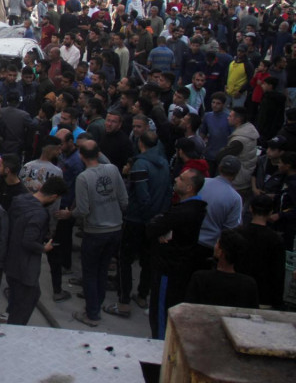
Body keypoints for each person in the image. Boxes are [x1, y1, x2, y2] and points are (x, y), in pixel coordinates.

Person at [58, 138, 128, 327]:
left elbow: (82, 210)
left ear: (81, 156)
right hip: (115, 229)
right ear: (98, 154)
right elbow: (124, 201)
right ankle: (96, 307)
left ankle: (92, 314)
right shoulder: (113, 169)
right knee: (103, 270)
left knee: (90, 273)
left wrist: (68, 214)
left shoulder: (84, 178)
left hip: (95, 231)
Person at [108, 132, 170, 318]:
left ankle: (124, 301)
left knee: (125, 260)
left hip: (137, 220)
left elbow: (142, 196)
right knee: (148, 260)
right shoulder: (164, 163)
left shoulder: (140, 164)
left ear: (140, 143)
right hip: (156, 220)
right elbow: (167, 192)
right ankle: (142, 295)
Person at [147, 169, 208, 339]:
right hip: (176, 267)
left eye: (181, 178)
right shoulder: (191, 208)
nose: (176, 179)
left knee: (161, 314)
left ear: (189, 187)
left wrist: (160, 228)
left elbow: (152, 227)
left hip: (169, 269)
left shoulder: (185, 212)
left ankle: (159, 352)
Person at [5, 177, 69, 324]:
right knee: (27, 299)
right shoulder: (39, 214)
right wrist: (44, 248)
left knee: (19, 297)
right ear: (54, 197)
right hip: (25, 265)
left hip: (11, 259)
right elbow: (28, 240)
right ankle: (14, 330)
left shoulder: (20, 200)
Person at [185, 229, 259, 309]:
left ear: (221, 252)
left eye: (217, 243)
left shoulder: (200, 278)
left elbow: (189, 308)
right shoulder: (249, 284)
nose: (215, 245)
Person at [236, 196, 285, 309]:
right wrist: (277, 302)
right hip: (263, 296)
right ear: (270, 212)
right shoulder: (276, 240)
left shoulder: (237, 233)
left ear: (251, 209)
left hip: (238, 291)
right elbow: (278, 273)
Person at [197, 155, 244, 260]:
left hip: (189, 240)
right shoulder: (235, 198)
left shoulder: (201, 182)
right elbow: (231, 229)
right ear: (236, 173)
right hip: (210, 248)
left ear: (219, 167)